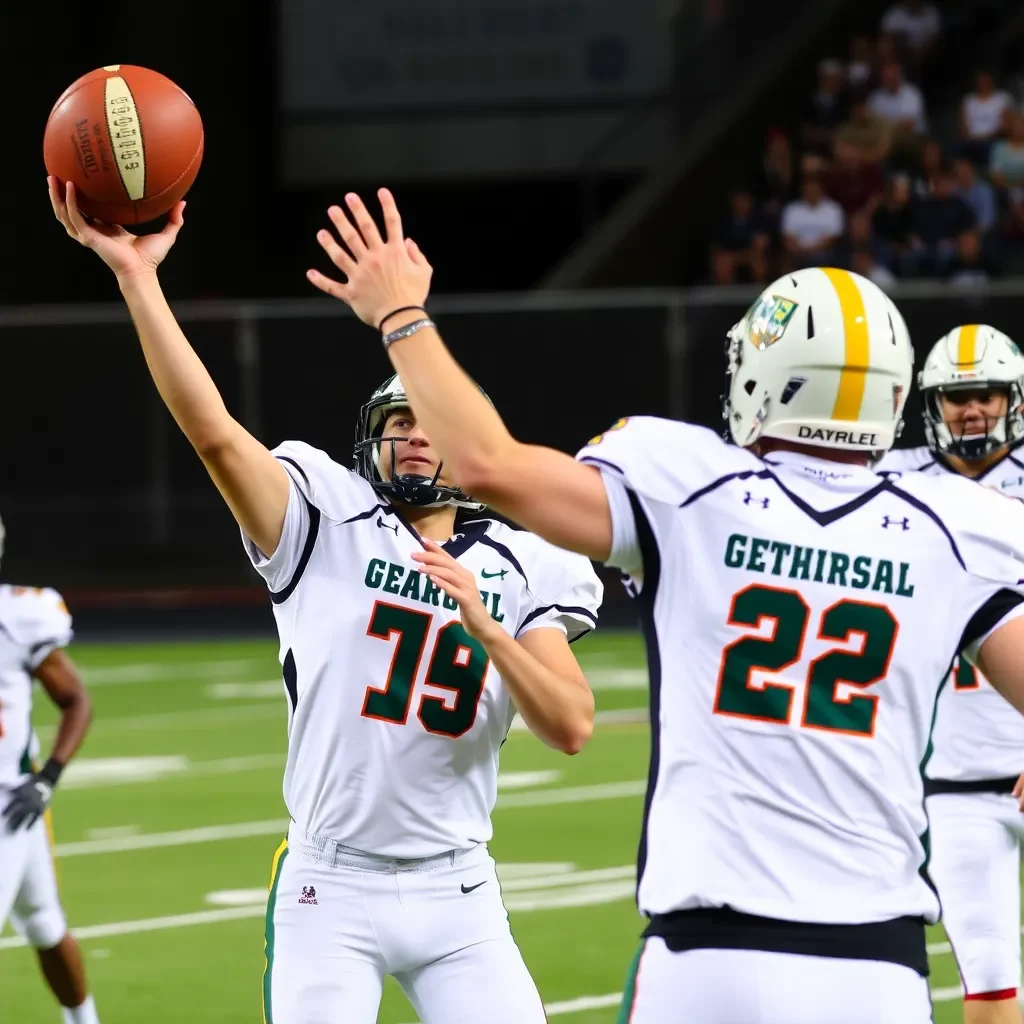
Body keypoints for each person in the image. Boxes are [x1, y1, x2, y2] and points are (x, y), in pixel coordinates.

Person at [305, 187, 1024, 1024]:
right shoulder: (957, 525)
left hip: (705, 952)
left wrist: (401, 316)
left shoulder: (690, 483)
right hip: (874, 959)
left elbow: (485, 465)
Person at [47, 178, 603, 1024]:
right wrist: (136, 277)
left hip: (459, 888)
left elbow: (570, 725)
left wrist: (488, 628)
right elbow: (213, 432)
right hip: (330, 886)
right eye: (398, 421)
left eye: (431, 421)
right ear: (372, 438)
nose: (415, 433)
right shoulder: (326, 515)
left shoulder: (525, 565)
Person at [877, 325, 1024, 1023]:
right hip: (954, 781)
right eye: (958, 396)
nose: (973, 411)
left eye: (986, 394)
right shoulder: (893, 479)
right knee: (989, 973)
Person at [0, 517, 100, 1024]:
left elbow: (76, 700)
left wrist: (47, 778)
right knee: (42, 922)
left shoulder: (15, 616)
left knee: (44, 925)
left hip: (7, 805)